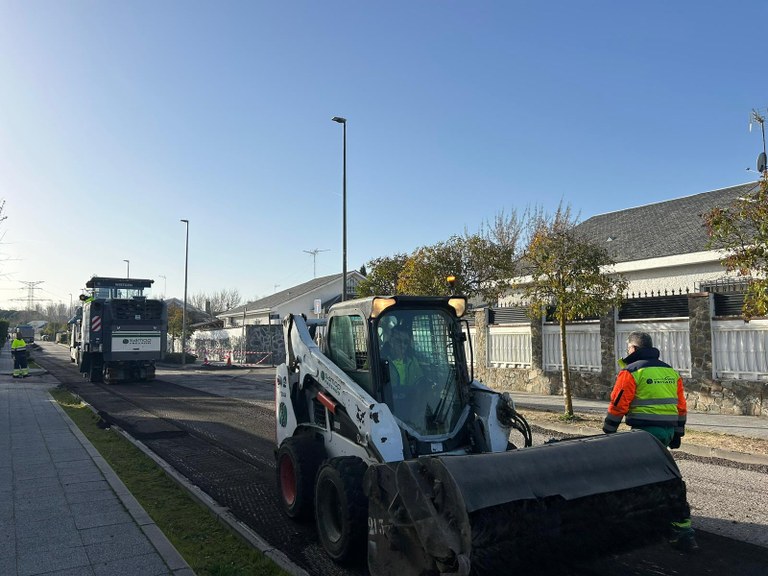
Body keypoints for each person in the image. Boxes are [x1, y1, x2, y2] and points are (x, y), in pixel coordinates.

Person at [602, 331, 698, 552]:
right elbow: (680, 405)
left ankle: (634, 522)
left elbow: (619, 403)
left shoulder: (632, 370)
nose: (627, 352)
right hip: (665, 432)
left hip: (643, 432)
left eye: (628, 349)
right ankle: (681, 529)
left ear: (633, 349)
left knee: (634, 476)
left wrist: (609, 430)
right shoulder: (670, 371)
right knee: (661, 474)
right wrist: (678, 433)